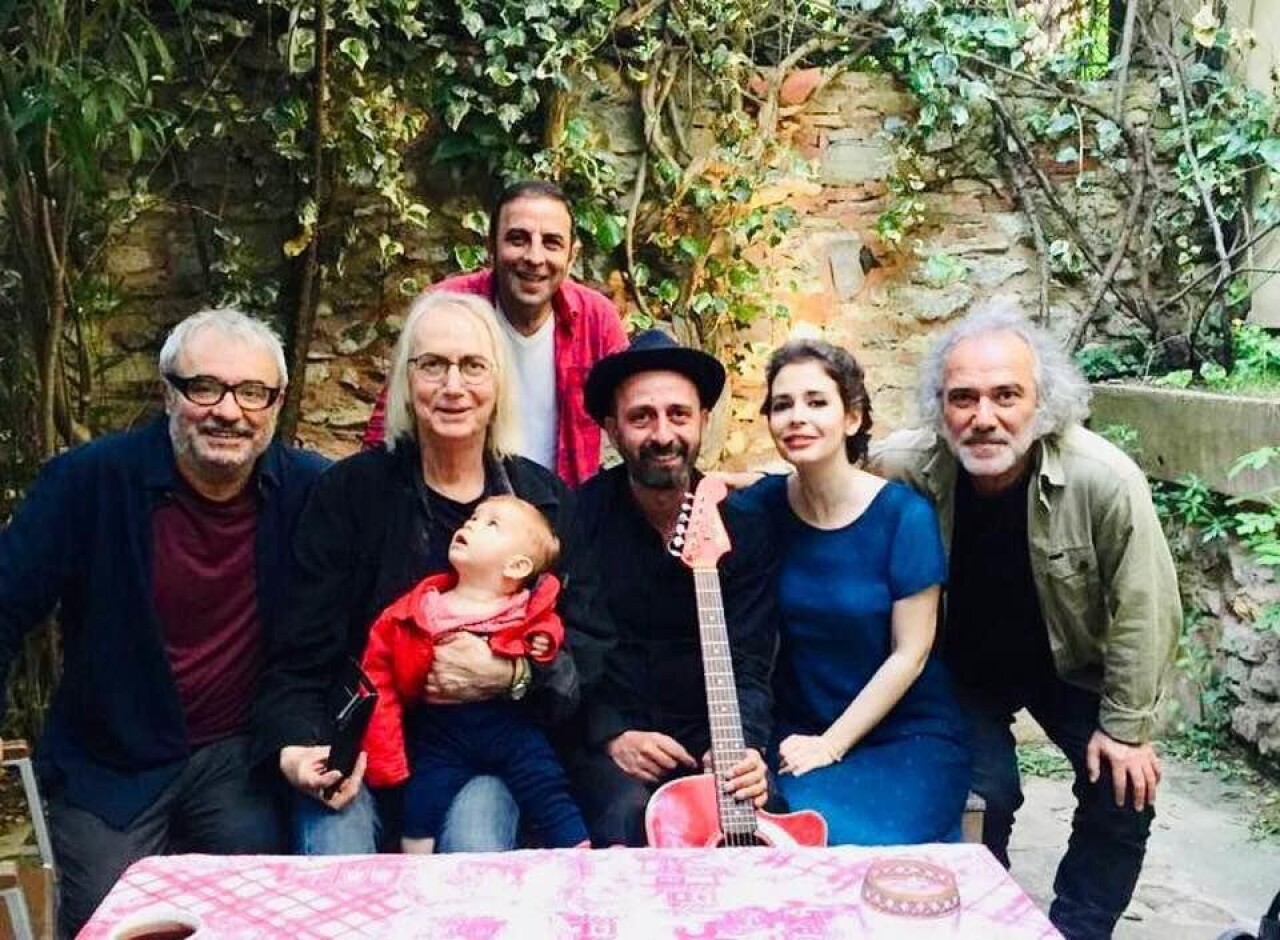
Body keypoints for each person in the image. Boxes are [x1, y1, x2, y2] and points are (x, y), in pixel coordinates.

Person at [0, 309, 328, 938]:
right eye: (205, 387)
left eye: (251, 392)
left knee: (256, 915)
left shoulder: (309, 491)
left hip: (237, 758)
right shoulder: (88, 483)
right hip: (111, 758)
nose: (229, 412)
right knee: (114, 923)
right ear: (168, 393)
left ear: (277, 403)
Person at [254, 290, 614, 855]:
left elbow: (589, 649)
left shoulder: (541, 503)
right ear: (406, 381)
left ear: (498, 384)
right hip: (360, 748)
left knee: (475, 841)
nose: (453, 386)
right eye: (432, 365)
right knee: (339, 855)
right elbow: (299, 654)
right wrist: (296, 749)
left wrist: (515, 674)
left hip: (486, 754)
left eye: (472, 366)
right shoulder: (350, 494)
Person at [871, 301, 1180, 940]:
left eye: (1006, 396)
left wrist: (1126, 730)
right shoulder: (904, 469)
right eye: (963, 398)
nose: (983, 417)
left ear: (1043, 403)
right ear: (939, 407)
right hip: (959, 666)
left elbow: (1145, 606)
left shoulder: (1103, 479)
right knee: (984, 794)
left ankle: (1076, 930)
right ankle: (990, 917)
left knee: (1123, 790)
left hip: (1070, 663)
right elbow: (826, 489)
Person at [733, 339, 970, 845]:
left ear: (852, 418)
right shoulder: (762, 507)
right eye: (782, 405)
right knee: (767, 830)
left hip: (904, 736)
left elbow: (911, 653)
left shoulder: (904, 517)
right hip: (797, 730)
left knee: (831, 838)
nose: (797, 417)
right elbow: (698, 496)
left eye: (817, 402)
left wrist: (831, 745)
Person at [566, 329, 779, 847]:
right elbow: (570, 650)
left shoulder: (744, 526)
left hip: (715, 737)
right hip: (617, 742)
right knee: (629, 821)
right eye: (642, 417)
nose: (663, 434)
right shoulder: (578, 519)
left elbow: (751, 658)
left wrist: (745, 745)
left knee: (768, 831)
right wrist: (611, 734)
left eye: (679, 414)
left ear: (703, 420)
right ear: (613, 430)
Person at [360, 494, 588, 852]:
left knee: (545, 782)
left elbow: (548, 627)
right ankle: (413, 868)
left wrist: (543, 642)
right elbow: (378, 672)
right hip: (441, 734)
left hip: (509, 729)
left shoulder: (524, 606)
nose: (471, 523)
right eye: (474, 517)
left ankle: (580, 853)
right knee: (421, 803)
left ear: (516, 567)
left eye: (491, 524)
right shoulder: (420, 607)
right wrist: (386, 758)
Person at [361, 180, 628, 485]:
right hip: (455, 499)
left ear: (572, 255)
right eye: (518, 239)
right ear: (491, 246)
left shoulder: (596, 319)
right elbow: (389, 424)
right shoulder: (446, 307)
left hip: (561, 504)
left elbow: (633, 415)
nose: (534, 257)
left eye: (552, 242)